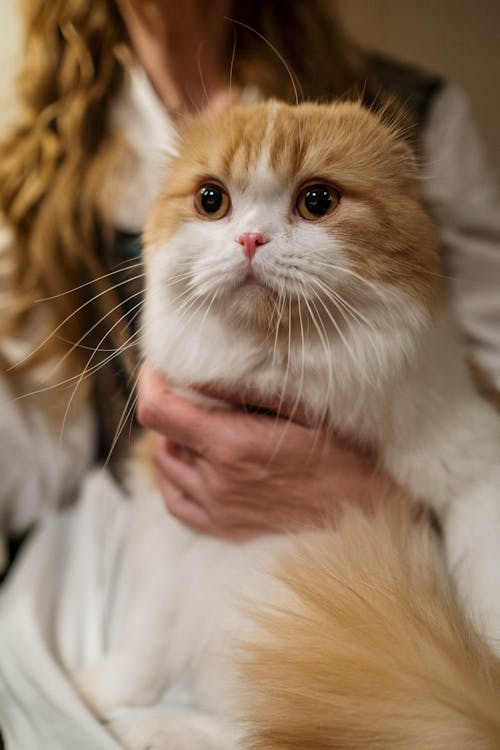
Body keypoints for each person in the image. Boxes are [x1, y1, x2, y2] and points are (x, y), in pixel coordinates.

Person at [0, 0, 499, 551]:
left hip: (403, 528)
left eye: (316, 200)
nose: (250, 239)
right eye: (211, 200)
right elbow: (40, 438)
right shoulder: (35, 161)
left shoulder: (415, 108)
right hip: (134, 538)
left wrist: (375, 495)